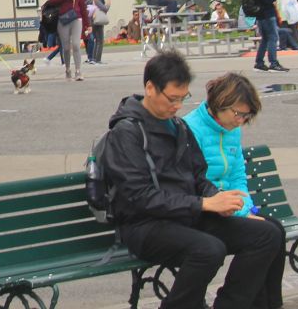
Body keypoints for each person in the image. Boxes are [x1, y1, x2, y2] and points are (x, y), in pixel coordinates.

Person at [101, 51, 284, 309]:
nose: (177, 106)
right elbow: (140, 198)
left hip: (185, 217)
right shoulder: (126, 133)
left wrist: (225, 203)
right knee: (208, 250)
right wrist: (203, 204)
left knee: (267, 234)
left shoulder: (178, 127)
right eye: (172, 98)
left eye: (182, 98)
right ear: (150, 88)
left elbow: (199, 176)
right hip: (145, 226)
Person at [183, 72, 287, 309]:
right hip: (203, 212)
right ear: (219, 103)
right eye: (237, 113)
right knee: (265, 235)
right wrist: (239, 213)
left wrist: (246, 208)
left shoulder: (232, 129)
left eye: (246, 115)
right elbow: (197, 183)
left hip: (228, 209)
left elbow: (238, 175)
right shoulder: (191, 129)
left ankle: (267, 305)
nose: (240, 120)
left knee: (275, 229)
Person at [46, 0, 90, 81]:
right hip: (63, 20)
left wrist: (88, 25)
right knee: (66, 47)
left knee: (76, 44)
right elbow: (51, 1)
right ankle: (68, 68)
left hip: (76, 18)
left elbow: (83, 8)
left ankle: (78, 71)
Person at [249, 0, 287, 73]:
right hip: (267, 14)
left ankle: (259, 63)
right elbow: (266, 0)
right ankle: (273, 63)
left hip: (259, 15)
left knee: (265, 39)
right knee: (272, 37)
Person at [85, 0, 110, 64]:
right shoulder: (95, 0)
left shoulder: (87, 0)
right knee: (100, 41)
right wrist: (108, 4)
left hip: (91, 22)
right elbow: (104, 9)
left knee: (96, 40)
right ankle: (97, 59)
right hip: (97, 22)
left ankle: (94, 58)